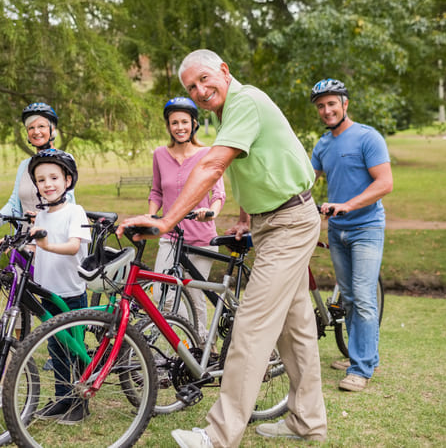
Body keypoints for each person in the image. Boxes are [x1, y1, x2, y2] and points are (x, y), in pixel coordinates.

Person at [117, 49, 327, 447]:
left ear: (224, 71)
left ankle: (217, 436)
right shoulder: (230, 111)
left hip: (290, 223)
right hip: (275, 221)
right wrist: (248, 218)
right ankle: (307, 422)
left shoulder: (244, 99)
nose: (199, 90)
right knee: (294, 330)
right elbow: (260, 164)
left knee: (250, 328)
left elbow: (214, 165)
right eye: (190, 87)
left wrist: (165, 221)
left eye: (203, 80)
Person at [310, 78, 393, 392]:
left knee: (362, 297)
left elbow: (384, 183)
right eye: (321, 106)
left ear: (345, 104)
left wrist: (347, 205)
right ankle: (362, 355)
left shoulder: (367, 137)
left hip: (366, 229)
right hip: (338, 232)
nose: (327, 110)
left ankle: (361, 368)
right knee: (348, 299)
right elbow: (306, 181)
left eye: (332, 103)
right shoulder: (323, 144)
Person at [148, 96, 225, 342]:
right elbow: (157, 191)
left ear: (194, 124)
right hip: (170, 236)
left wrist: (211, 212)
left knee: (194, 295)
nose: (180, 127)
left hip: (201, 238)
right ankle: (186, 344)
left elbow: (218, 193)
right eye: (174, 123)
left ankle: (201, 346)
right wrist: (152, 216)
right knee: (164, 291)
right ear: (168, 126)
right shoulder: (160, 154)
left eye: (184, 122)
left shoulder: (207, 153)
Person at [26, 149, 92, 424]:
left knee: (74, 349)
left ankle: (79, 403)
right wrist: (26, 246)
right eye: (41, 180)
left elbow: (73, 246)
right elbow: (38, 248)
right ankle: (62, 397)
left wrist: (47, 245)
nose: (48, 184)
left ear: (67, 180)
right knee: (55, 349)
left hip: (71, 293)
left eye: (54, 177)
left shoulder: (75, 212)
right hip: (48, 292)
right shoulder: (41, 215)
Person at [0, 102, 74, 230]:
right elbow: (14, 203)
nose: (36, 132)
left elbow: (66, 198)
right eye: (31, 128)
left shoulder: (65, 159)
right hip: (25, 238)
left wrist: (42, 216)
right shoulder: (24, 166)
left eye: (41, 126)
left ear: (52, 130)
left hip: (56, 235)